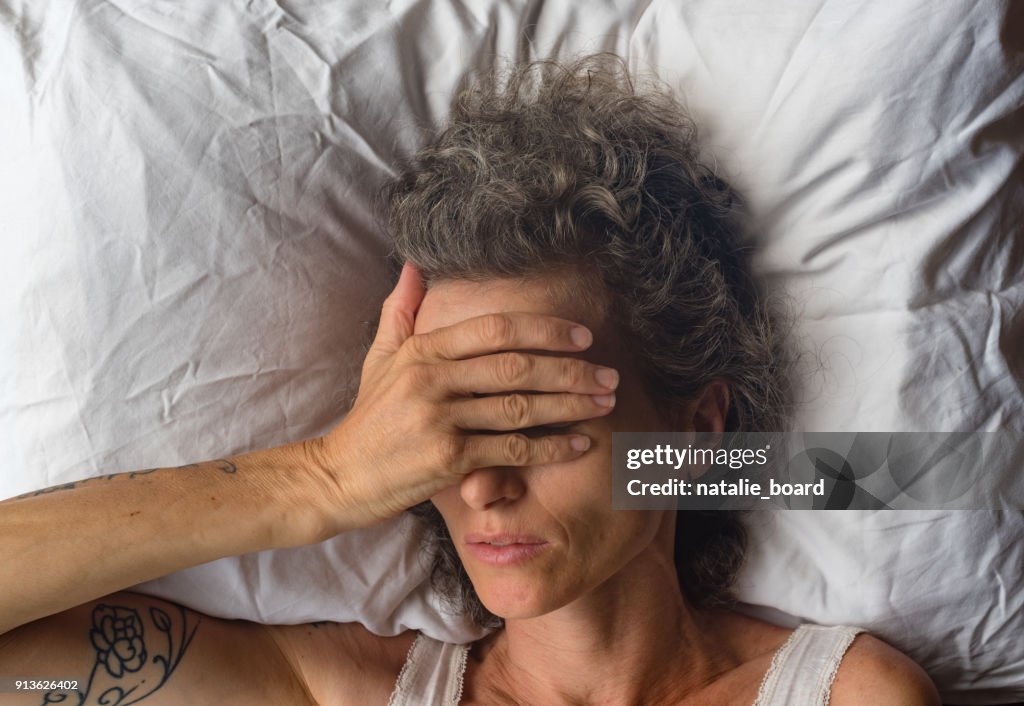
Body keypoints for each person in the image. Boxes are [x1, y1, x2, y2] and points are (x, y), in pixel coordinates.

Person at [0, 54, 938, 705]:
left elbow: (942, 469)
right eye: (449, 427)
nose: (484, 485)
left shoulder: (849, 693)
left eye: (534, 423)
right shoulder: (339, 689)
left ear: (692, 435)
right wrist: (320, 479)